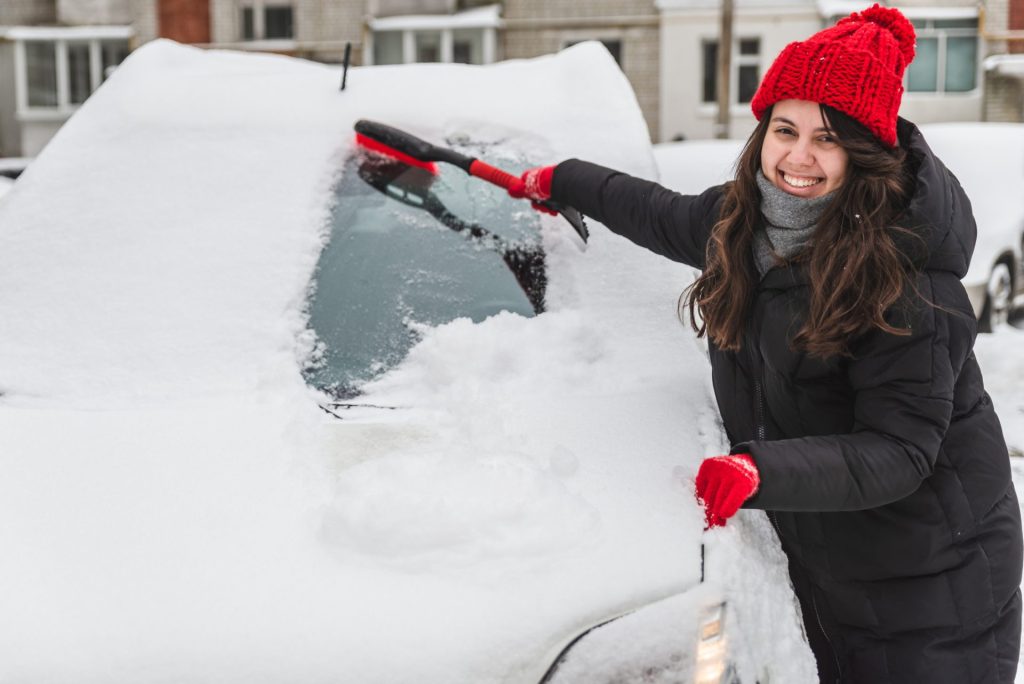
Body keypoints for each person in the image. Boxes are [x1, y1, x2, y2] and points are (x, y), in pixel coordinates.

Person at [508, 6, 1023, 683]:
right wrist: (563, 179)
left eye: (827, 139)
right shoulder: (743, 224)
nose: (798, 157)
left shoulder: (909, 285)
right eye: (785, 129)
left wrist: (758, 471)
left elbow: (901, 451)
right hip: (833, 564)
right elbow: (656, 213)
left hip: (933, 584)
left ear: (866, 155)